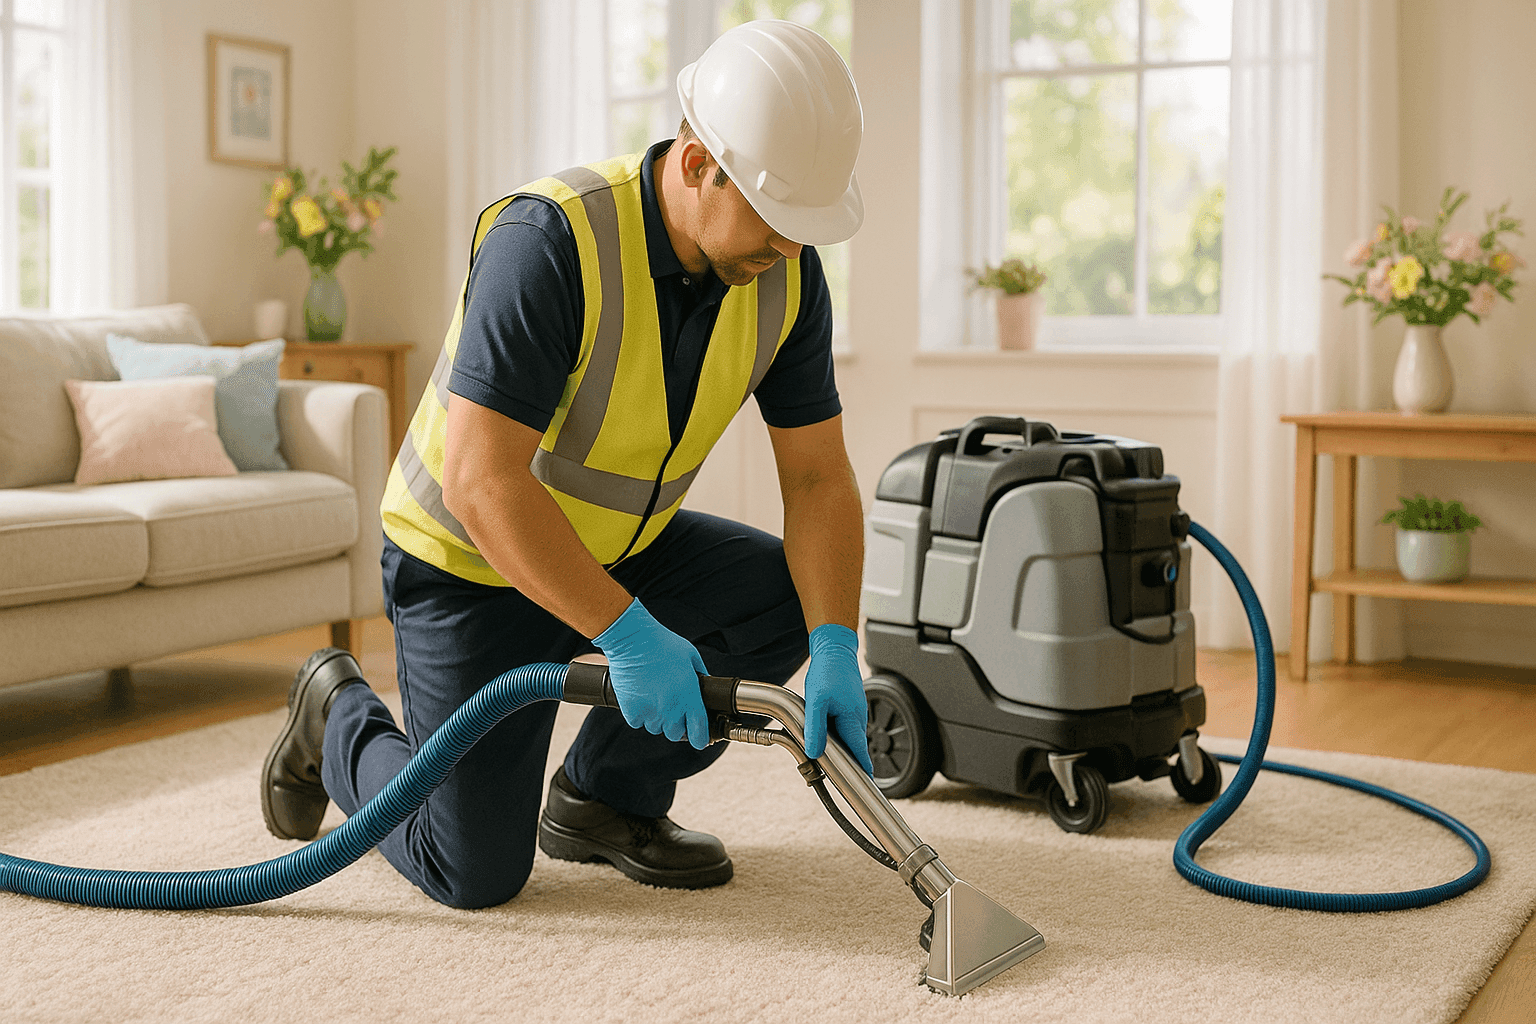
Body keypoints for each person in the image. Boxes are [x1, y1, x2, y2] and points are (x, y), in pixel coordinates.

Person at [260, 19, 873, 909]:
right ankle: (334, 712)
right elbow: (482, 480)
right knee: (469, 869)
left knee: (785, 602)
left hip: (622, 548)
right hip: (469, 562)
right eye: (777, 219)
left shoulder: (784, 276)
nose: (788, 248)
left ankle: (603, 799)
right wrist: (626, 634)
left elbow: (818, 478)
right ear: (698, 163)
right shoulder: (550, 240)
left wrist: (837, 644)